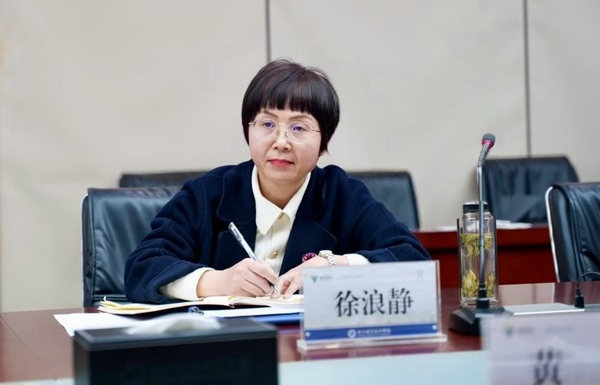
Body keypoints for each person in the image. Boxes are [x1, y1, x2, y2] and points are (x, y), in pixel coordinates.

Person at [124, 59, 430, 303]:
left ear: (323, 143)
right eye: (267, 124)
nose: (281, 142)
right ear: (248, 130)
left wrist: (332, 265)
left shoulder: (342, 195)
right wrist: (217, 282)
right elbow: (142, 268)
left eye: (299, 128)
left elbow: (414, 262)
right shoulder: (207, 194)